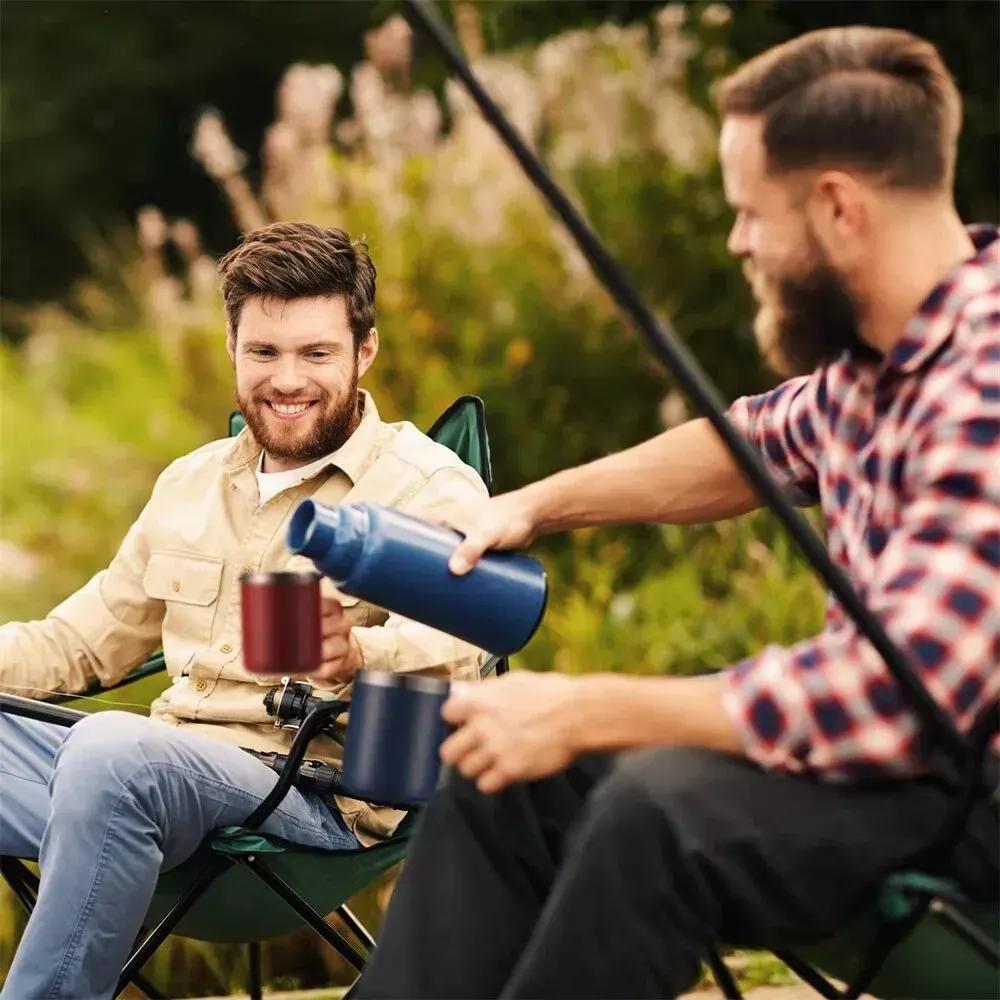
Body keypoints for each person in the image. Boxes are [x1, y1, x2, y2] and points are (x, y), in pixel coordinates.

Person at [354, 26, 999, 1000]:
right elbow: (750, 445)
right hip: (892, 776)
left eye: (748, 212)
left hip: (964, 794)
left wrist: (585, 706)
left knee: (661, 806)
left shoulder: (983, 378)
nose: (736, 240)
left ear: (836, 207)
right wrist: (532, 504)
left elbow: (904, 696)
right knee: (507, 773)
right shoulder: (884, 359)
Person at [0, 222, 487, 999]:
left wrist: (359, 655)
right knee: (111, 756)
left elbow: (465, 644)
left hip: (306, 794)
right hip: (153, 773)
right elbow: (78, 644)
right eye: (263, 352)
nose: (286, 379)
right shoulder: (189, 485)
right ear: (233, 348)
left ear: (365, 351)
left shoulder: (426, 487)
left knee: (112, 755)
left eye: (315, 353)